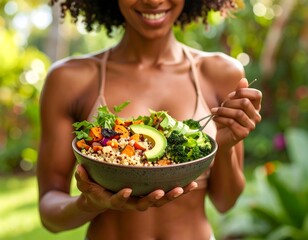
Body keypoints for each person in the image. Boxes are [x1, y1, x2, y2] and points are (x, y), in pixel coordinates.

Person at [37, 0, 262, 239]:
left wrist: (225, 147)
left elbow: (225, 202)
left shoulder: (220, 73)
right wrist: (89, 203)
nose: (153, 1)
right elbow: (50, 214)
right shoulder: (70, 80)